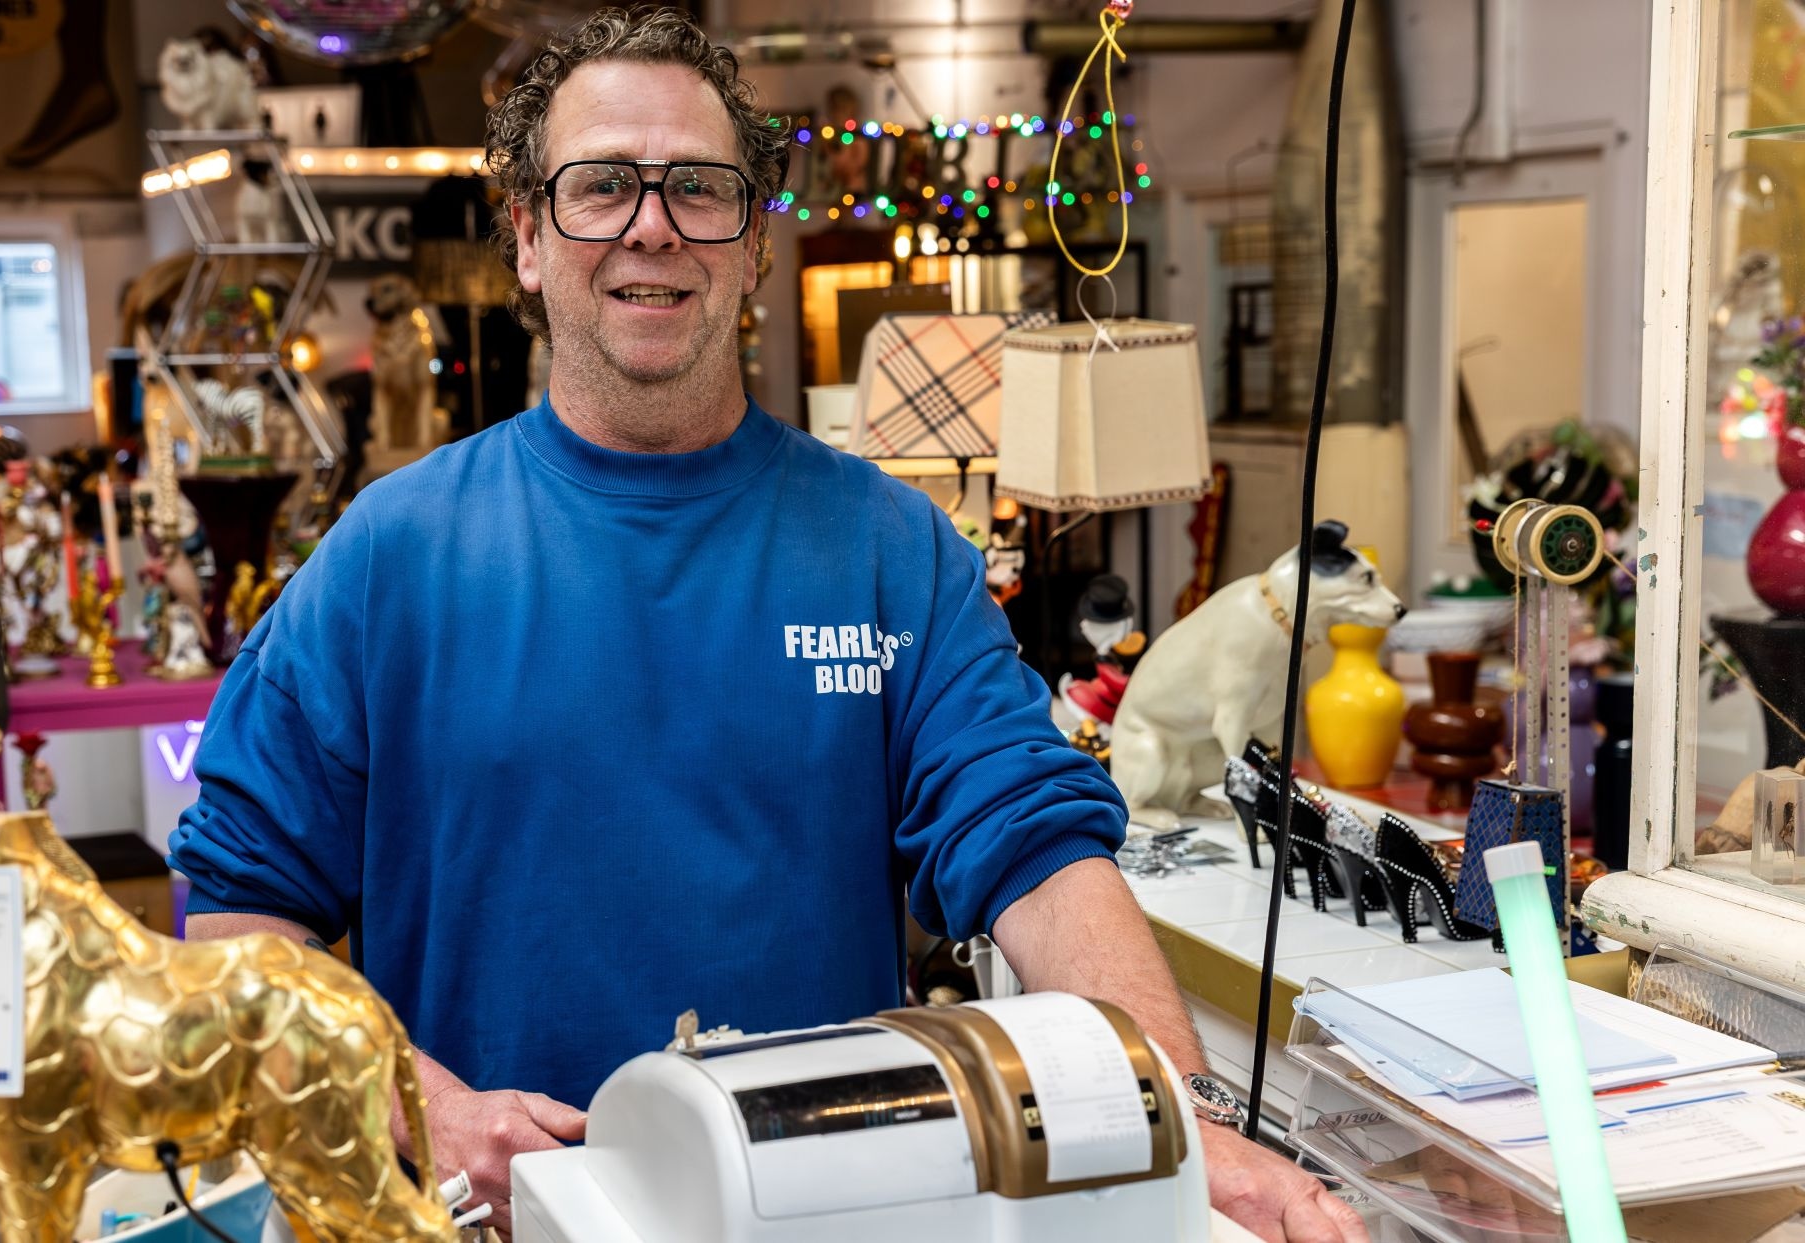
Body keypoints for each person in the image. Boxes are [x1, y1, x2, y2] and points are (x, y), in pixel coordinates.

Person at [168, 9, 1366, 1241]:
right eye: (600, 187)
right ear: (527, 236)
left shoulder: (890, 552)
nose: (652, 223)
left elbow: (1036, 846)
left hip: (819, 1210)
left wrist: (1182, 1119)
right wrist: (413, 1109)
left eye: (701, 188)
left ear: (752, 245)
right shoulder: (389, 556)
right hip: (492, 1217)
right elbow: (240, 911)